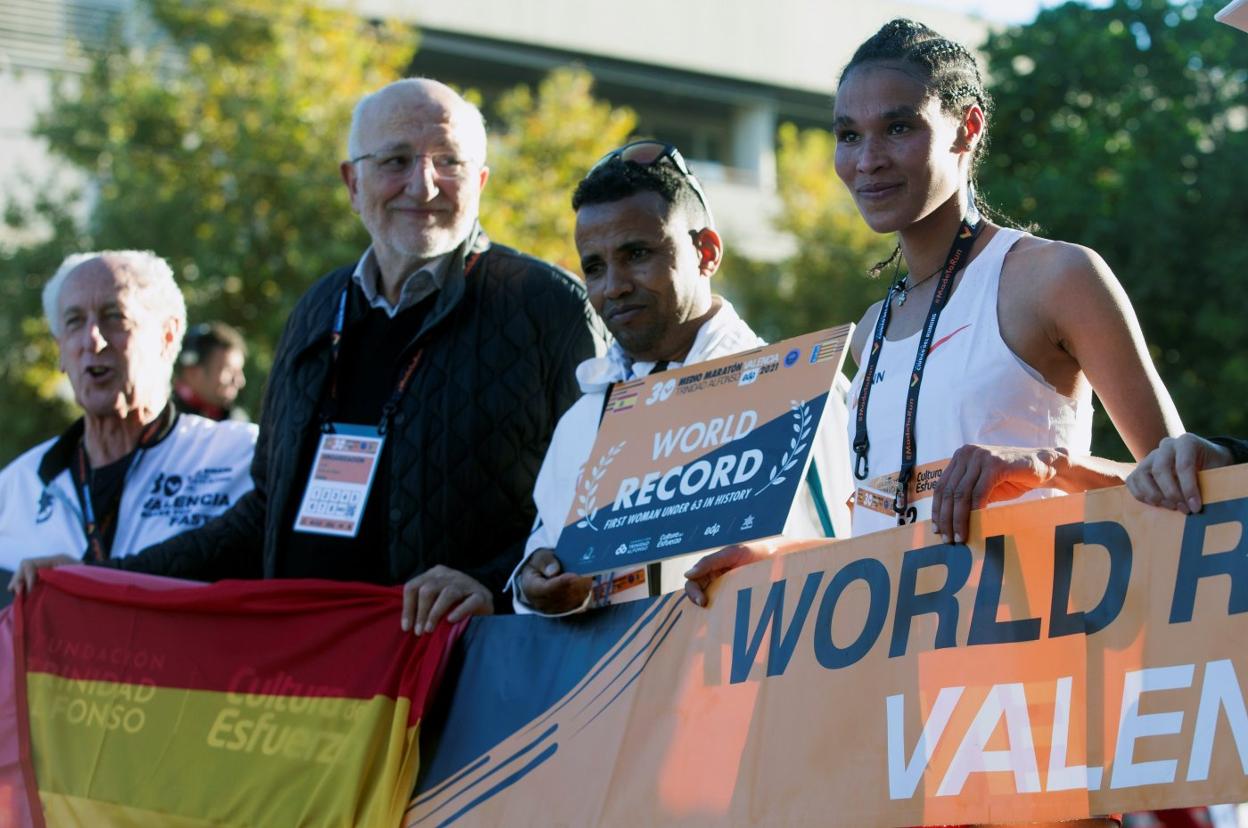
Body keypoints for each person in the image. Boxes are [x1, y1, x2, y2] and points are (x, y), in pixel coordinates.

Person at [11, 79, 605, 635]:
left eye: (447, 161)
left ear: (478, 182)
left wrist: (491, 584)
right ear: (352, 182)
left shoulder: (546, 308)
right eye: (396, 160)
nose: (422, 185)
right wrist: (102, 577)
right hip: (312, 678)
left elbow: (599, 502)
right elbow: (265, 512)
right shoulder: (318, 311)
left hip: (466, 679)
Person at [685, 18, 1183, 616]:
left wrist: (1051, 466)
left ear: (967, 128)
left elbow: (1190, 484)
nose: (867, 160)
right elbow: (890, 534)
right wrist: (779, 556)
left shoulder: (1056, 277)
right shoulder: (872, 327)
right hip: (905, 677)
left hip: (1039, 665)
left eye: (898, 128)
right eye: (848, 135)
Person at [511, 142, 852, 616]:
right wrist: (535, 584)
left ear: (706, 252)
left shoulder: (800, 389)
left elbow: (856, 558)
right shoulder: (581, 418)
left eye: (637, 254)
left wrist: (771, 566)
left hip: (747, 682)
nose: (614, 285)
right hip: (608, 687)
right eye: (594, 266)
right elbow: (543, 563)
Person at [1, 251, 256, 580]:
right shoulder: (18, 488)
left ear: (167, 336)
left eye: (114, 316)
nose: (93, 339)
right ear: (61, 348)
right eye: (75, 321)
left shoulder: (242, 458)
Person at [173, 321, 248, 421]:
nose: (240, 381)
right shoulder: (160, 421)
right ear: (192, 372)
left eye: (240, 371)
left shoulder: (238, 422)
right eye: (229, 370)